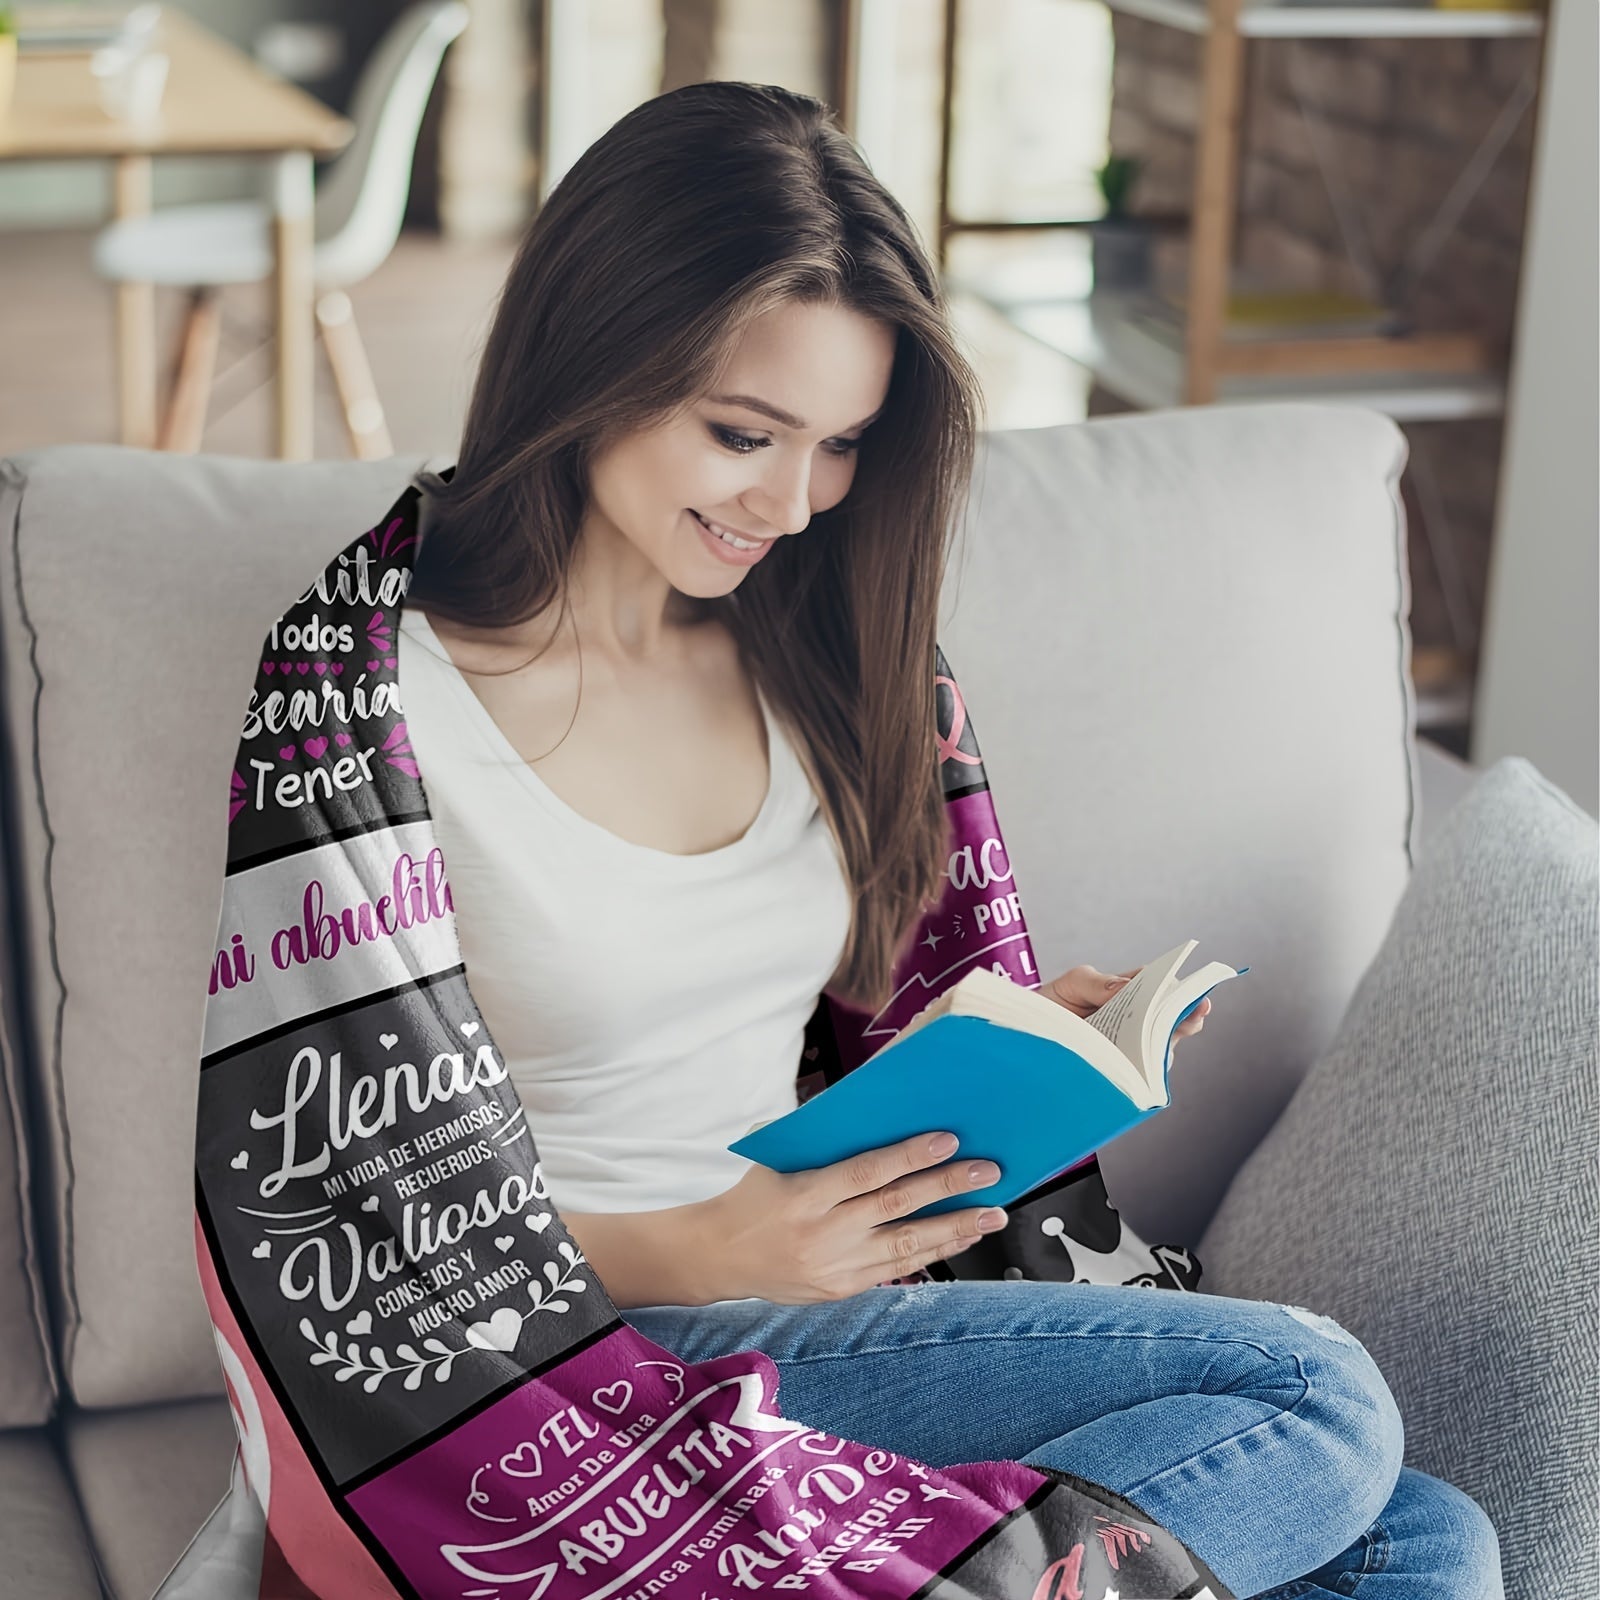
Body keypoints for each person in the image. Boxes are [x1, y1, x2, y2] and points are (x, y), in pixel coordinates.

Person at [393, 79, 1503, 1600]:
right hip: (585, 1359)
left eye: (841, 445)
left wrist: (987, 1053)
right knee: (1318, 1398)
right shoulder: (381, 702)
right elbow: (351, 1215)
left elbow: (828, 1033)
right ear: (595, 359)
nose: (791, 502)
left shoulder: (822, 659)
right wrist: (711, 1246)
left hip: (834, 1314)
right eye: (743, 432)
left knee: (1429, 1540)